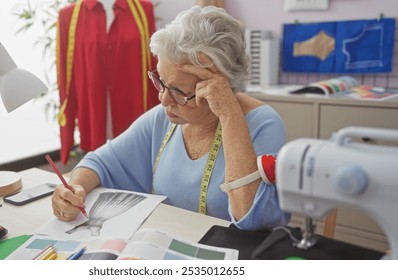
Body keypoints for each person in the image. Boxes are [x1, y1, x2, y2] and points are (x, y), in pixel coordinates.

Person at [52, 5, 290, 230]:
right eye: (160, 82)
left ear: (219, 85)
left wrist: (229, 114)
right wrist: (74, 190)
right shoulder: (164, 119)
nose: (163, 100)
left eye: (177, 91)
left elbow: (249, 217)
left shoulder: (263, 124)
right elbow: (99, 162)